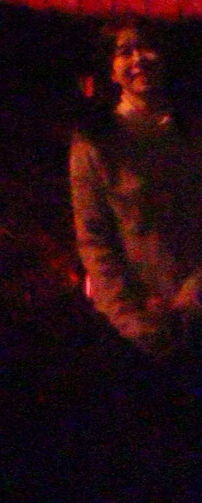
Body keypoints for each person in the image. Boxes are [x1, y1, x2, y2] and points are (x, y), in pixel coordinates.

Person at [71, 19, 202, 361]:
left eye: (147, 47)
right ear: (111, 71)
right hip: (131, 328)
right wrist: (131, 318)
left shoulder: (191, 133)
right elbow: (94, 237)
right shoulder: (94, 143)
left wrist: (191, 301)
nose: (138, 59)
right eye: (124, 52)